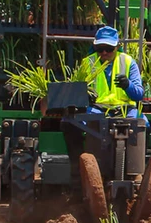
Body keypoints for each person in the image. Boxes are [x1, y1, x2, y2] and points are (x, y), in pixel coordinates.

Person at [62, 26, 145, 190]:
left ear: (117, 46)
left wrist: (128, 85)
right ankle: (81, 173)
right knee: (70, 123)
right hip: (97, 110)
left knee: (140, 125)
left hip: (125, 110)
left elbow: (139, 94)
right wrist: (83, 96)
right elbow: (77, 92)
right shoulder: (88, 64)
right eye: (100, 49)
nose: (104, 53)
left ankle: (135, 172)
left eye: (109, 49)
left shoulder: (128, 62)